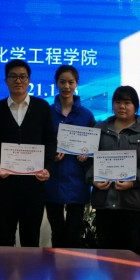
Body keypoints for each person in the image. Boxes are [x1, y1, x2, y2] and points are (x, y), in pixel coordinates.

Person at [0, 59, 57, 247]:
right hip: (5, 185)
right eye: (13, 76)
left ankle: (30, 268)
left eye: (22, 77)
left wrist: (47, 168)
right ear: (6, 80)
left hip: (34, 185)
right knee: (4, 237)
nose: (18, 80)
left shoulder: (42, 107)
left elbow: (50, 140)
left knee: (30, 239)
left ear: (29, 80)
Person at [87, 85, 140, 256]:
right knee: (105, 253)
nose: (122, 106)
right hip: (105, 202)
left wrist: (133, 181)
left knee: (132, 252)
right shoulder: (99, 129)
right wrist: (93, 179)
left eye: (127, 103)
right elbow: (87, 161)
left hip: (134, 203)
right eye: (118, 102)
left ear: (135, 106)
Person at [44, 65, 96, 248]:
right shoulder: (46, 112)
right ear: (56, 83)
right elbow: (40, 143)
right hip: (52, 180)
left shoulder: (87, 115)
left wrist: (87, 155)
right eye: (62, 82)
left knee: (73, 236)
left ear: (76, 84)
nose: (67, 86)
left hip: (77, 181)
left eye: (71, 82)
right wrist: (50, 156)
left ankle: (71, 267)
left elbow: (95, 148)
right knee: (57, 234)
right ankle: (56, 267)